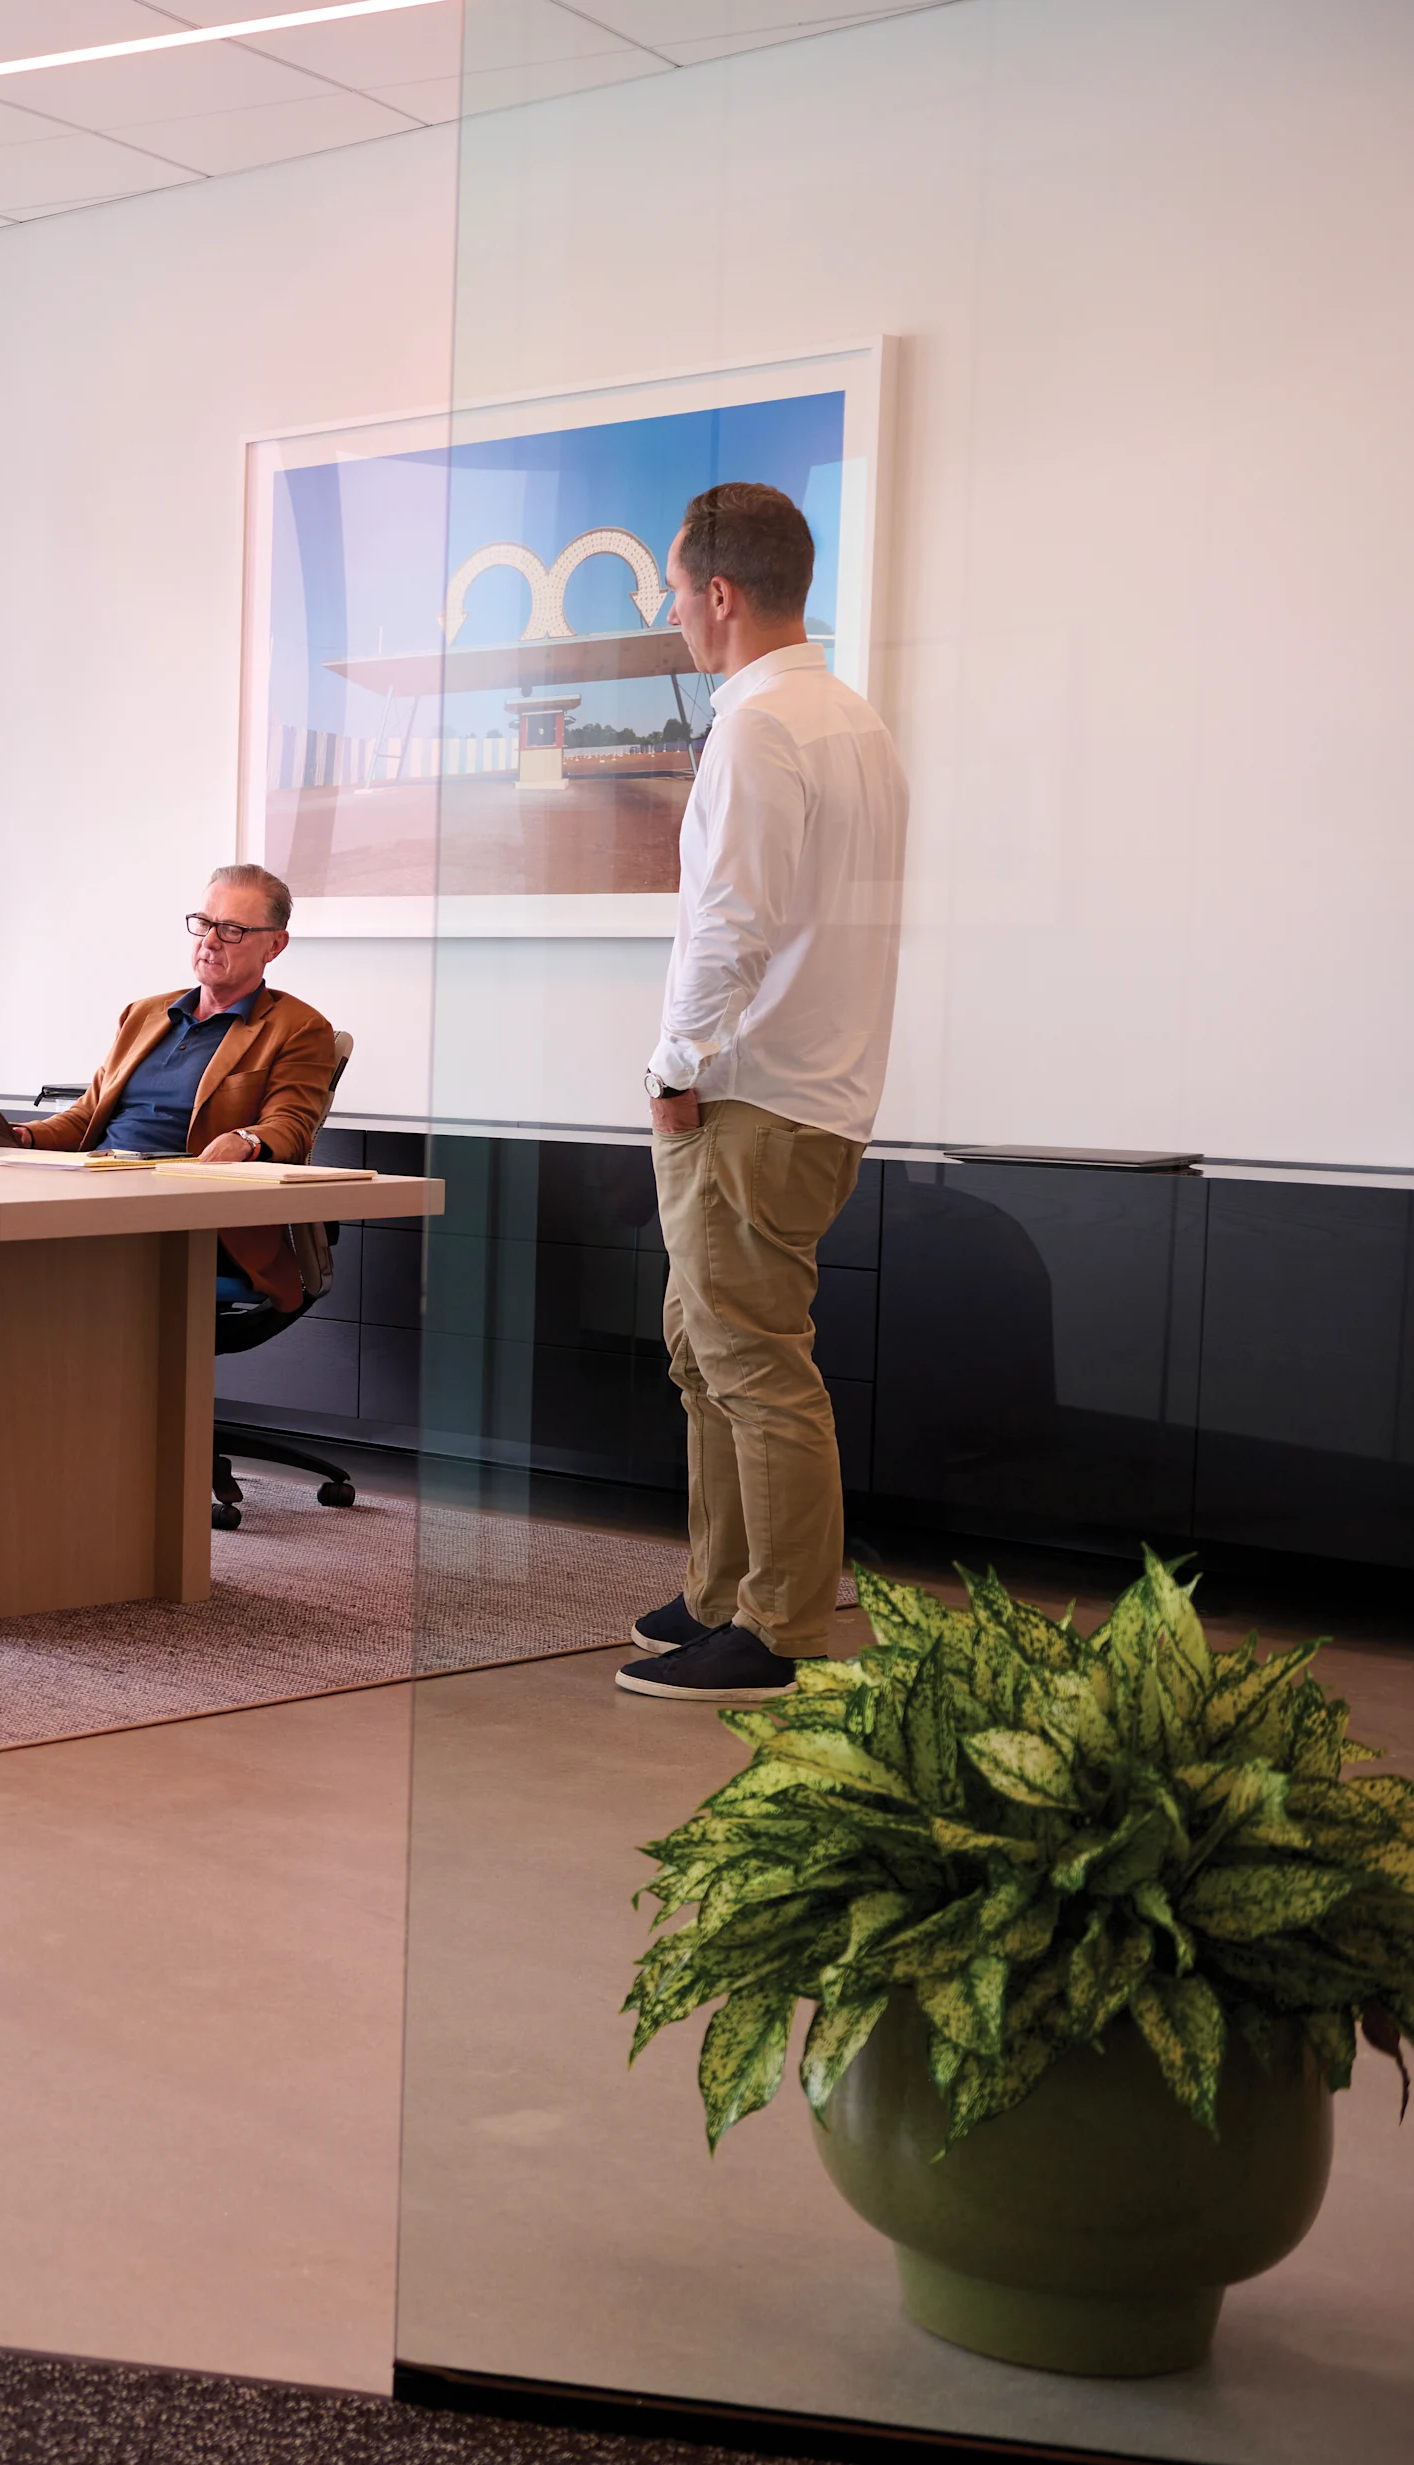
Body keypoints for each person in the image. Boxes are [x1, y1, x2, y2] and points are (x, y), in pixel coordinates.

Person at [617, 481, 908, 1705]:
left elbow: (728, 928)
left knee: (749, 1359)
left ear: (720, 595)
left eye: (675, 591)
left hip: (747, 1096)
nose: (673, 611)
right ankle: (721, 1590)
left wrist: (672, 1070)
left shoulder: (756, 727)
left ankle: (777, 1630)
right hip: (812, 1091)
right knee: (708, 1347)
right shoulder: (850, 719)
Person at [0, 861, 343, 1313]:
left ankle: (5, 1226)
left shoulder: (298, 1027)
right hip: (93, 1179)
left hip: (180, 1199)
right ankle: (7, 1214)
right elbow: (88, 1115)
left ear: (275, 945)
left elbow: (292, 1124)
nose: (209, 941)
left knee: (5, 1239)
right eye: (203, 924)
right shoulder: (144, 1014)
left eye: (232, 930)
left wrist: (245, 1140)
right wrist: (26, 1137)